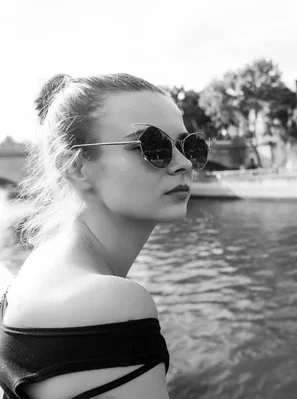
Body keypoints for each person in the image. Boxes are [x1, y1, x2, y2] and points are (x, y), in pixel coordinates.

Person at [0, 73, 211, 399]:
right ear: (76, 168)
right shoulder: (114, 304)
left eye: (188, 145)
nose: (183, 163)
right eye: (152, 145)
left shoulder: (43, 264)